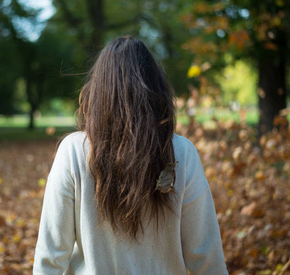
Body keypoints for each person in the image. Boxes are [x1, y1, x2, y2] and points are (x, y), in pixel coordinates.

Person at [33, 36, 228, 274]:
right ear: (157, 88)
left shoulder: (73, 151)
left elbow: (50, 258)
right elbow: (207, 258)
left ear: (99, 90)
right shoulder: (182, 152)